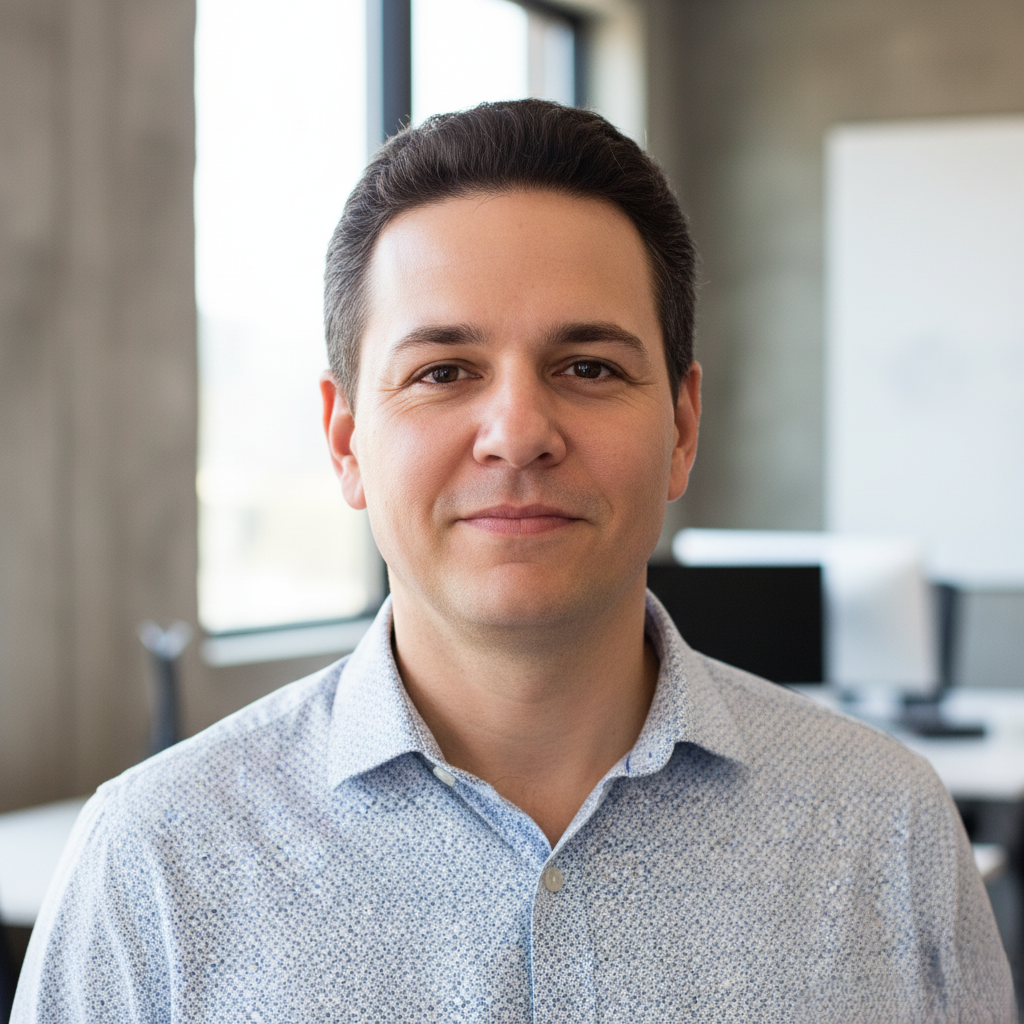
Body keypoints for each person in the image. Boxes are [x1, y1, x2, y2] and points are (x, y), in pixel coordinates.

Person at [13, 100, 1013, 1023]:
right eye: (443, 371)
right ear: (345, 439)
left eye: (588, 367)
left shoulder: (887, 829)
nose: (518, 433)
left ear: (681, 425)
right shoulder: (153, 861)